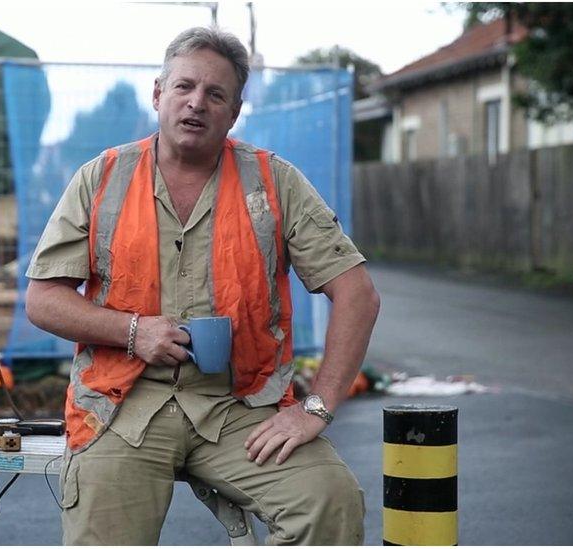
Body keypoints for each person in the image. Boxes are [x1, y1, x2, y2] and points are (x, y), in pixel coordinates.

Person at [25, 26, 380, 545]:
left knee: (329, 501)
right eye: (184, 87)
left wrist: (316, 410)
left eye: (216, 94)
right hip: (123, 406)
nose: (197, 103)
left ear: (234, 113)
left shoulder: (273, 183)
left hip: (241, 408)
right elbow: (43, 299)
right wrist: (133, 332)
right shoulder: (101, 179)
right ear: (158, 95)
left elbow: (358, 295)